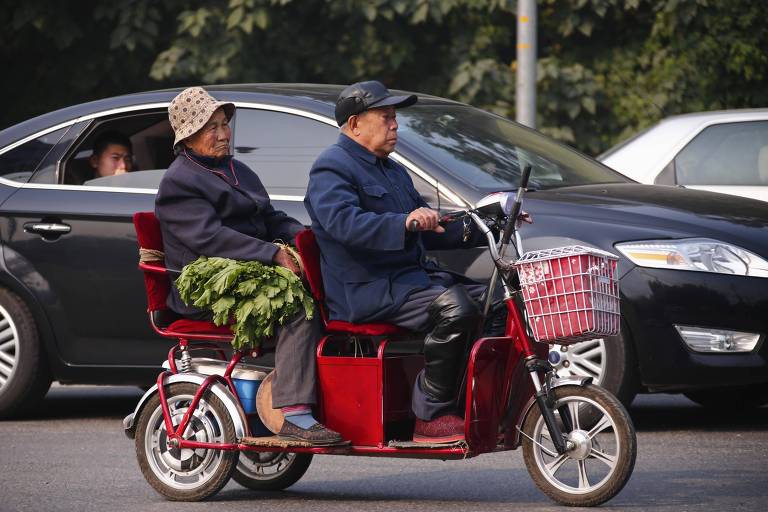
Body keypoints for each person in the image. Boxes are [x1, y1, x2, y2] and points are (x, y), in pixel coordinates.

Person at [155, 86, 343, 446]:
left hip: (247, 272)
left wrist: (312, 240)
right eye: (212, 127)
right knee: (295, 307)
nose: (224, 133)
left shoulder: (236, 169)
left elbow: (270, 218)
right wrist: (272, 254)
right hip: (208, 288)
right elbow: (210, 238)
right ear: (189, 136)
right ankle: (294, 414)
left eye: (225, 124)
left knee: (331, 291)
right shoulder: (179, 181)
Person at [304, 81, 489, 444]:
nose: (395, 125)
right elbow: (344, 224)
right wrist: (403, 222)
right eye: (386, 117)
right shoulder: (332, 167)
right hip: (369, 290)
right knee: (455, 309)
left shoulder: (392, 170)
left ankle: (468, 401)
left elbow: (428, 227)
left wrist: (484, 224)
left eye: (394, 118)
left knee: (497, 300)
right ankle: (430, 416)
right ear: (355, 124)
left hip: (410, 282)